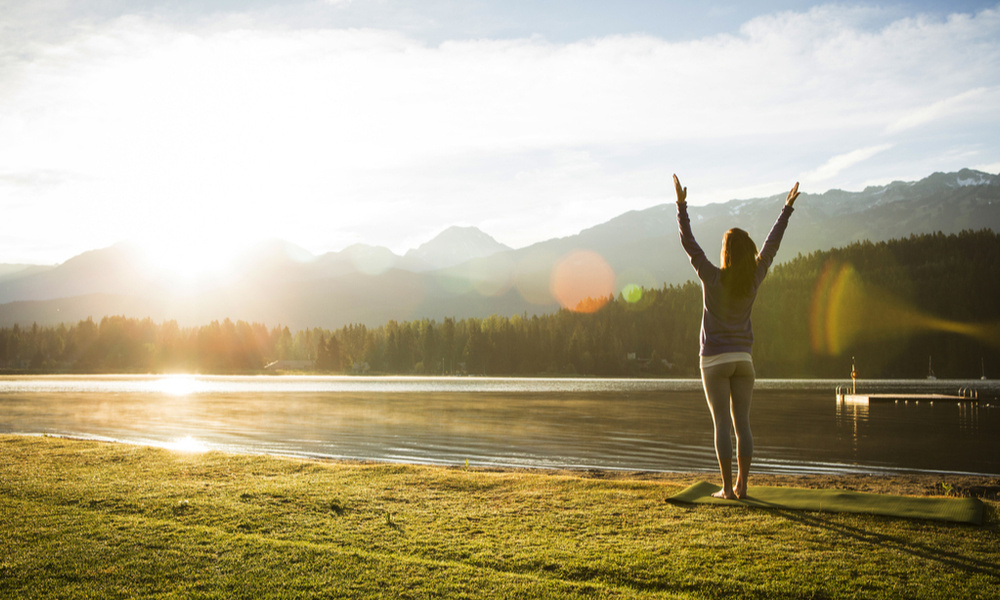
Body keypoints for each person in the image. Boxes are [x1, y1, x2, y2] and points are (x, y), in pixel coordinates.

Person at [674, 174, 800, 499]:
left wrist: (681, 205)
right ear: (748, 254)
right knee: (742, 423)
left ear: (726, 252)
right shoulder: (753, 279)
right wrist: (785, 210)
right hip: (743, 361)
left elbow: (689, 244)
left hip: (714, 361)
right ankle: (743, 486)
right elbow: (772, 246)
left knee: (722, 425)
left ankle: (727, 489)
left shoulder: (712, 277)